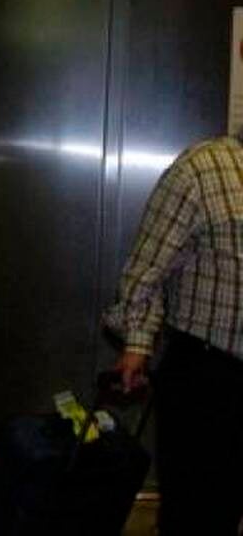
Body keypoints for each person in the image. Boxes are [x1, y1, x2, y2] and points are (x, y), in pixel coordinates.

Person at [104, 135, 243, 534]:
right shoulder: (202, 169)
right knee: (198, 515)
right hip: (210, 376)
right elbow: (146, 270)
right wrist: (138, 343)